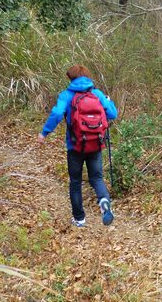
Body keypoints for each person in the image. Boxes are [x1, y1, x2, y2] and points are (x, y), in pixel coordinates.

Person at [38, 65, 118, 227]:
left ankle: (79, 218)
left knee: (75, 182)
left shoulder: (66, 95)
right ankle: (104, 201)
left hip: (75, 146)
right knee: (96, 178)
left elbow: (57, 113)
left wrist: (44, 132)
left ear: (71, 78)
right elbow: (112, 114)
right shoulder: (97, 94)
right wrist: (109, 101)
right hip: (95, 143)